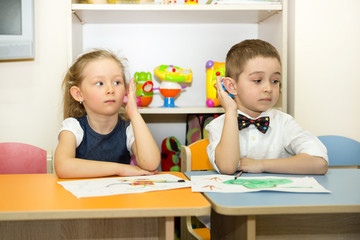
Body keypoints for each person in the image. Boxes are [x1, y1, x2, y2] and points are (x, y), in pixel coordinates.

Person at [206, 39, 328, 175]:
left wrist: (260, 165)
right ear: (232, 86)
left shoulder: (284, 122)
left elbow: (319, 163)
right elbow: (227, 167)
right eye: (257, 80)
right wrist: (230, 111)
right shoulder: (218, 125)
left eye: (275, 81)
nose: (268, 88)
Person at [54, 50, 160, 178]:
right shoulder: (73, 128)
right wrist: (120, 169)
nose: (111, 90)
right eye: (100, 83)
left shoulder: (128, 129)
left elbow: (151, 164)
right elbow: (63, 167)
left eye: (117, 82)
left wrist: (134, 113)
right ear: (79, 94)